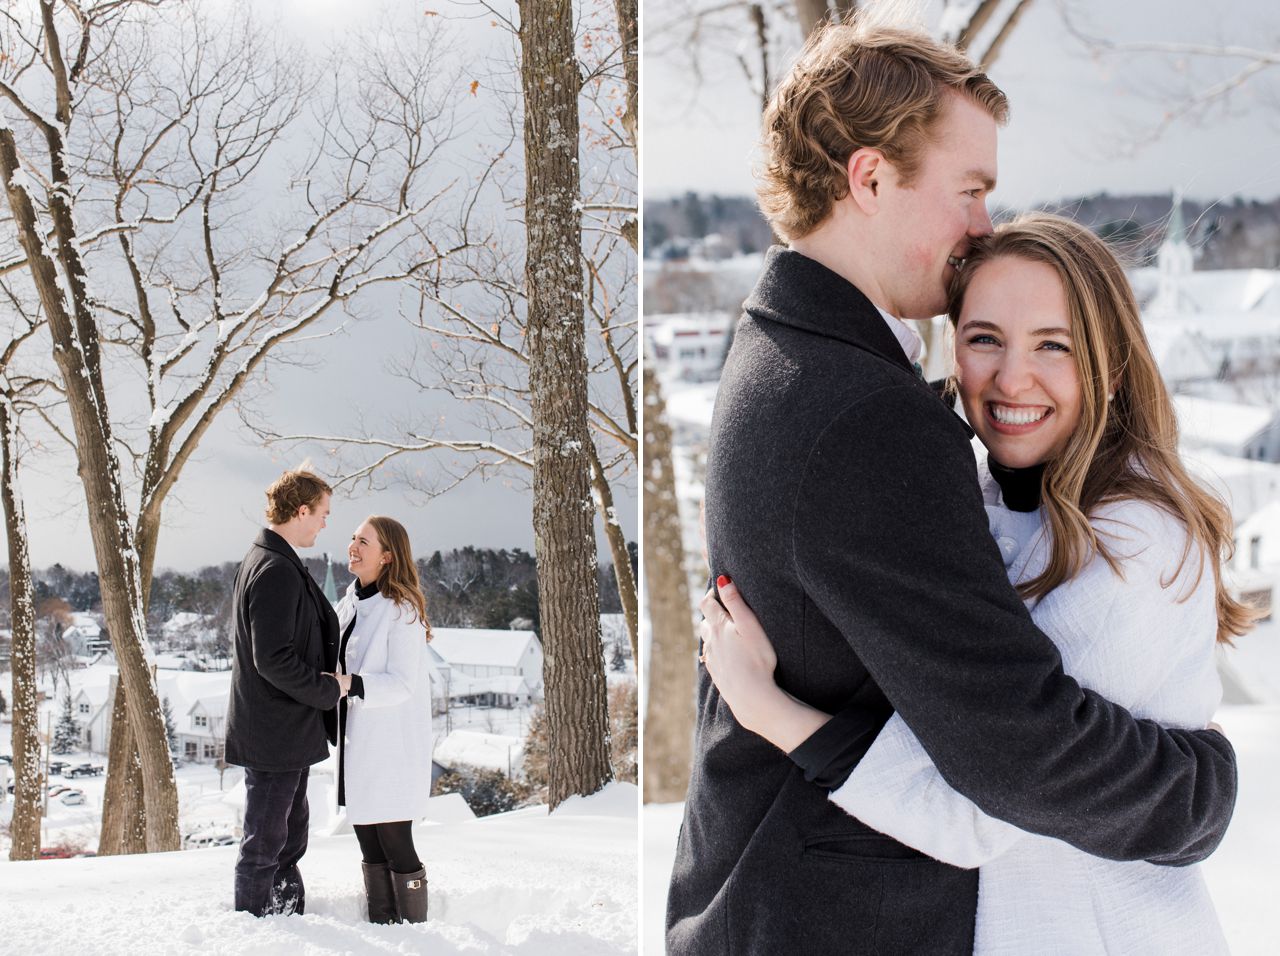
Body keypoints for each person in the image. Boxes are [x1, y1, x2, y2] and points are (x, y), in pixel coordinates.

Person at [665, 18, 1238, 956]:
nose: (983, 223)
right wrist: (1199, 794)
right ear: (871, 177)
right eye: (971, 189)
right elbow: (1018, 746)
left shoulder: (788, 351)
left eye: (1053, 345)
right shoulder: (865, 415)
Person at [225, 468, 344, 917]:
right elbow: (272, 658)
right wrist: (327, 690)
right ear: (301, 510)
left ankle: (286, 921)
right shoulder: (274, 568)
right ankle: (253, 930)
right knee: (265, 845)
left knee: (289, 838)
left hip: (286, 732)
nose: (325, 524)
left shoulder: (273, 557)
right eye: (323, 514)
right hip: (274, 733)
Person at [335, 515, 434, 925]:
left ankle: (414, 933)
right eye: (353, 538)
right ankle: (383, 927)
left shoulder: (401, 611)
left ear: (388, 556)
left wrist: (351, 684)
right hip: (358, 742)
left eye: (365, 542)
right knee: (368, 840)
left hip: (392, 747)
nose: (353, 546)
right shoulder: (349, 602)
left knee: (394, 840)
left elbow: (402, 684)